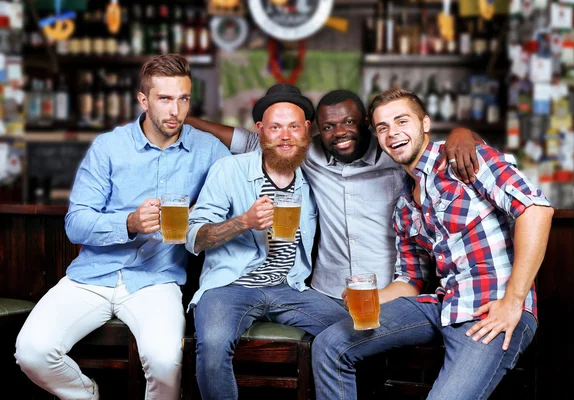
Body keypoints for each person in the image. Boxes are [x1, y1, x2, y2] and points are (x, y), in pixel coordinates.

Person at [312, 88, 555, 399]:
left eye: (402, 121)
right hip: (440, 305)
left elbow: (535, 208)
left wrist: (513, 302)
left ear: (425, 123)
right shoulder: (403, 205)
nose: (393, 133)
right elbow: (410, 282)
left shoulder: (464, 158)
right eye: (383, 127)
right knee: (329, 345)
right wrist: (371, 296)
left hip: (490, 308)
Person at [14, 54, 230, 400]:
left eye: (183, 98)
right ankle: (88, 395)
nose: (175, 110)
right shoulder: (109, 147)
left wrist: (205, 216)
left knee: (165, 363)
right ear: (143, 100)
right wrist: (128, 222)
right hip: (92, 276)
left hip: (156, 279)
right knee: (31, 352)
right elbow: (76, 223)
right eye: (164, 99)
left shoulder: (209, 151)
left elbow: (242, 182)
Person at [186, 89, 482, 303]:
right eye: (328, 126)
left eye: (349, 123)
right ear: (316, 130)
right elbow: (252, 139)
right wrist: (184, 119)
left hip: (390, 289)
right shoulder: (306, 152)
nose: (340, 132)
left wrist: (463, 132)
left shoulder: (394, 153)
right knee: (332, 353)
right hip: (326, 291)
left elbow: (432, 146)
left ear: (366, 122)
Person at [185, 84, 349, 400]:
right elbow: (194, 237)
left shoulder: (313, 179)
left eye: (292, 127)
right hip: (229, 287)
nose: (284, 136)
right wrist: (242, 222)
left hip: (290, 288)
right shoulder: (228, 170)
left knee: (358, 331)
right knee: (213, 346)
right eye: (275, 127)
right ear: (260, 130)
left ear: (306, 130)